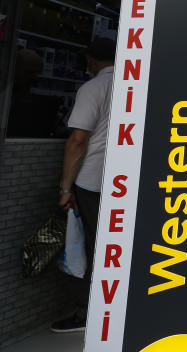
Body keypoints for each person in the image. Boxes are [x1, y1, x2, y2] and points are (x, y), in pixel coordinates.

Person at [52, 36, 116, 333]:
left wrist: (65, 189)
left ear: (92, 61)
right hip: (121, 183)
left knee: (90, 247)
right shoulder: (135, 85)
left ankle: (86, 314)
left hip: (91, 181)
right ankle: (112, 309)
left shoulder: (93, 88)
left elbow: (78, 140)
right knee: (112, 248)